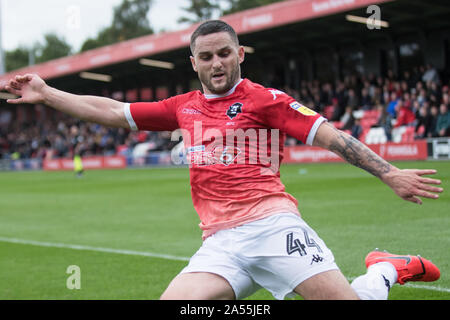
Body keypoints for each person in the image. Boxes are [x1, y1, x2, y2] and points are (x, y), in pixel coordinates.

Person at [1, 20, 443, 300]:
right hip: (220, 242)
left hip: (273, 226)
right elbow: (114, 112)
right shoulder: (182, 106)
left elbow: (331, 136)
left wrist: (390, 173)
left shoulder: (265, 99)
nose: (217, 63)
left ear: (240, 54)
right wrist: (48, 93)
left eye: (224, 53)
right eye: (207, 56)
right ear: (194, 62)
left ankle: (384, 268)